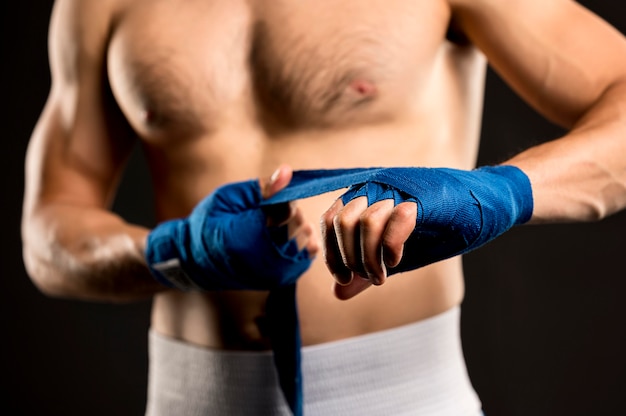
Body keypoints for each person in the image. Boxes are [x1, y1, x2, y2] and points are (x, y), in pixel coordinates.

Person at [20, 0, 626, 415]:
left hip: (400, 396)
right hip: (189, 398)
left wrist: (493, 195)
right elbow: (49, 230)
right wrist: (176, 252)